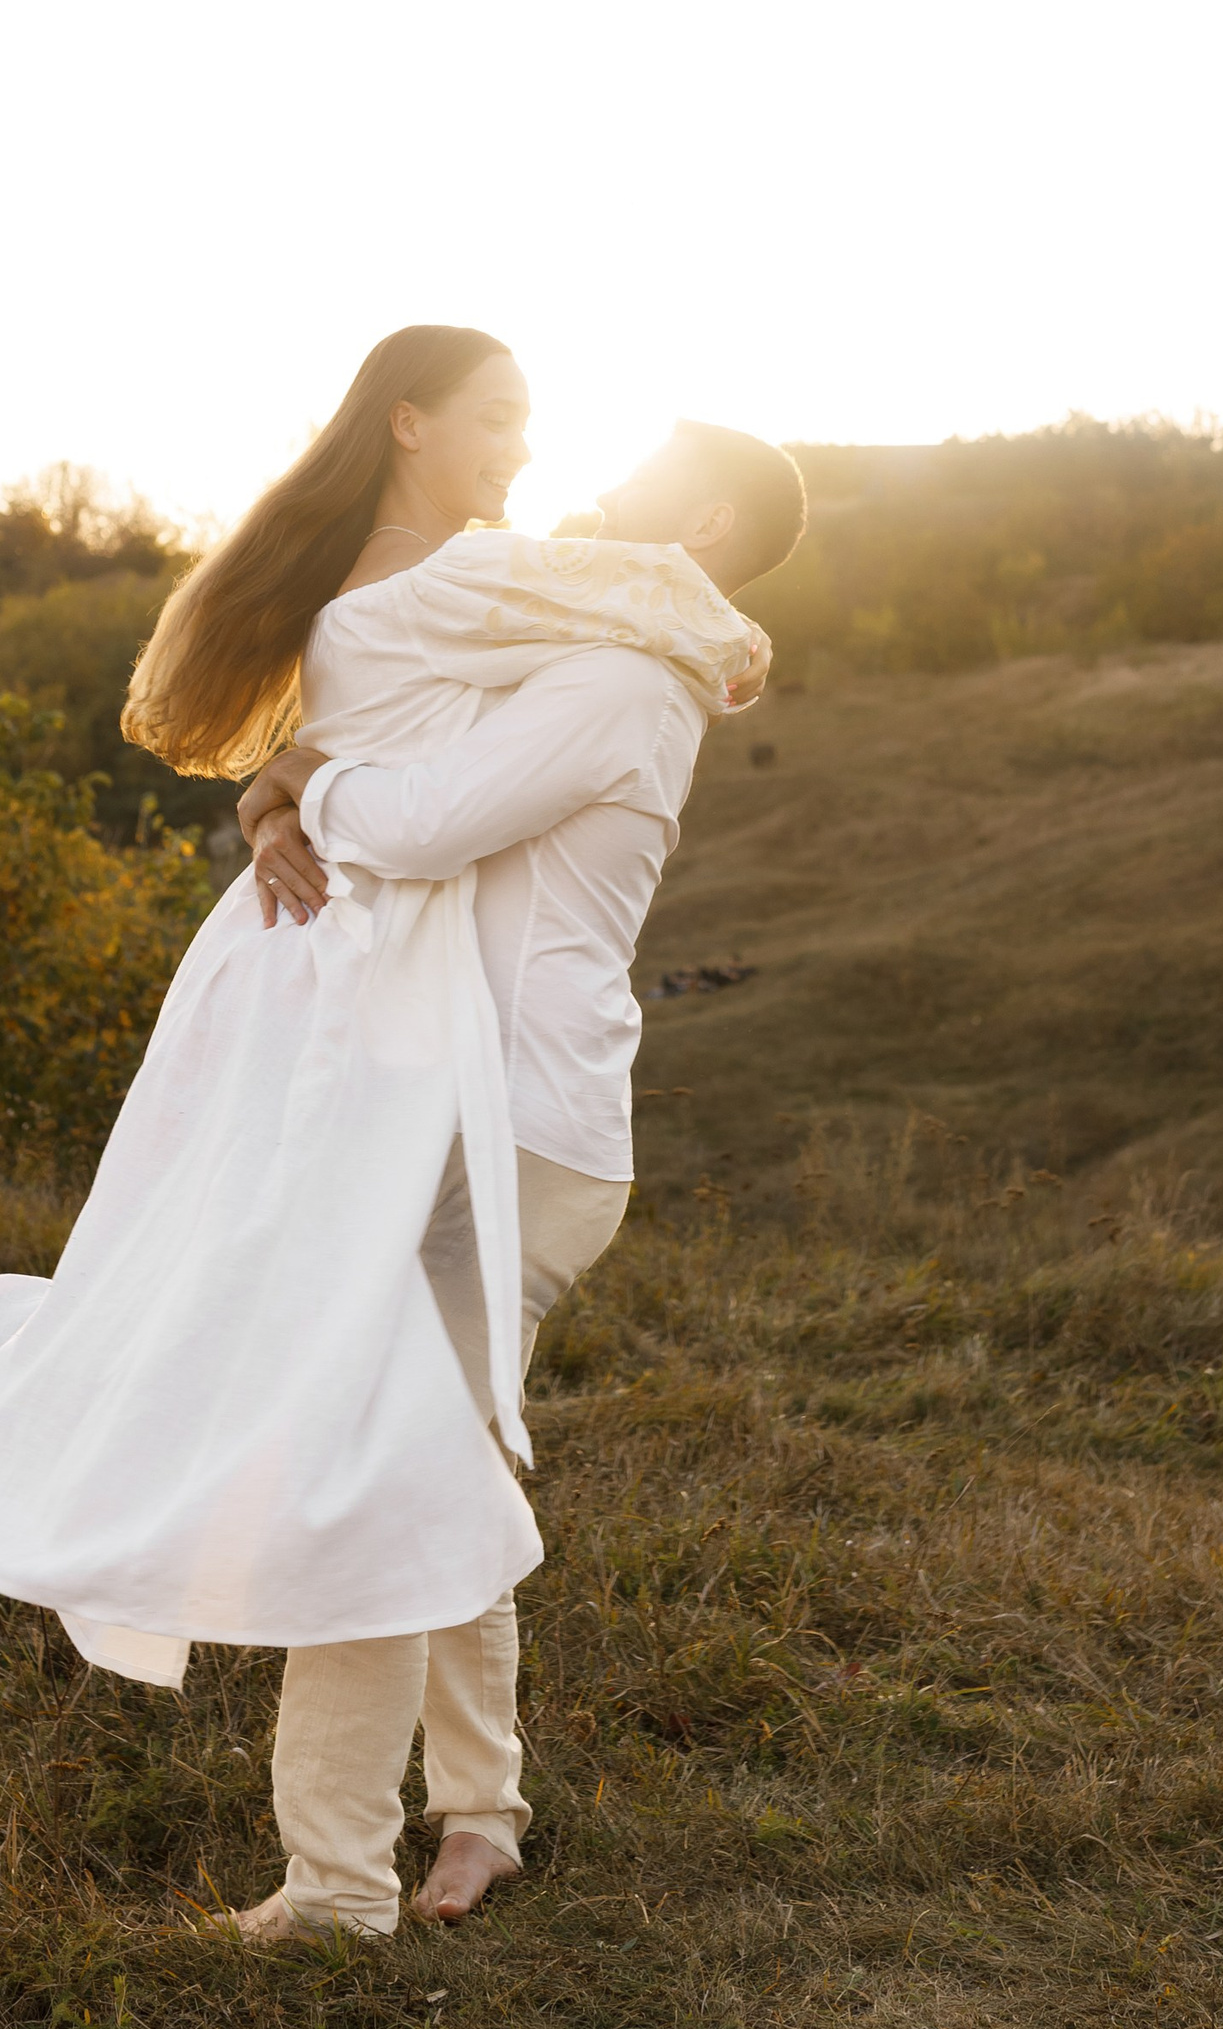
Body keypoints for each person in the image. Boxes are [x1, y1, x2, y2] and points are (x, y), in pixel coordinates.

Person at [0, 332, 772, 1788]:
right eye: (502, 419)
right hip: (358, 987)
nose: (531, 454)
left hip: (286, 961)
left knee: (184, 1325)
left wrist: (286, 778)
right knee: (208, 1347)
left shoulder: (384, 586)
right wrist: (734, 641)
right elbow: (659, 609)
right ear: (409, 423)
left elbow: (396, 721)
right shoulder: (476, 583)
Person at [226, 418, 808, 1937]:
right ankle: (479, 1816)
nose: (610, 475)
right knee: (446, 1463)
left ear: (718, 510)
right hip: (482, 1116)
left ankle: (333, 1884)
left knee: (378, 1474)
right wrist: (300, 761)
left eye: (658, 461)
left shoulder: (623, 681)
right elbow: (409, 715)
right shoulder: (593, 649)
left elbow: (422, 821)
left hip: (524, 1133)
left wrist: (308, 800)